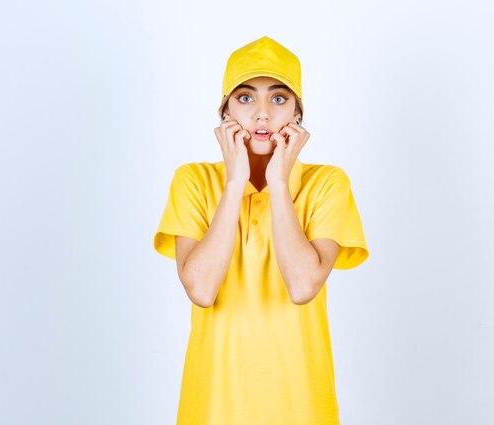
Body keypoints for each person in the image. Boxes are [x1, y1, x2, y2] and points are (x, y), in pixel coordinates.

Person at [153, 35, 369, 425]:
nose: (263, 114)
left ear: (298, 114)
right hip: (212, 407)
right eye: (246, 97)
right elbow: (200, 290)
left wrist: (280, 184)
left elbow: (303, 287)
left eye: (280, 98)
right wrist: (234, 182)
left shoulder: (327, 184)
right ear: (225, 110)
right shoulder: (194, 181)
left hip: (302, 404)